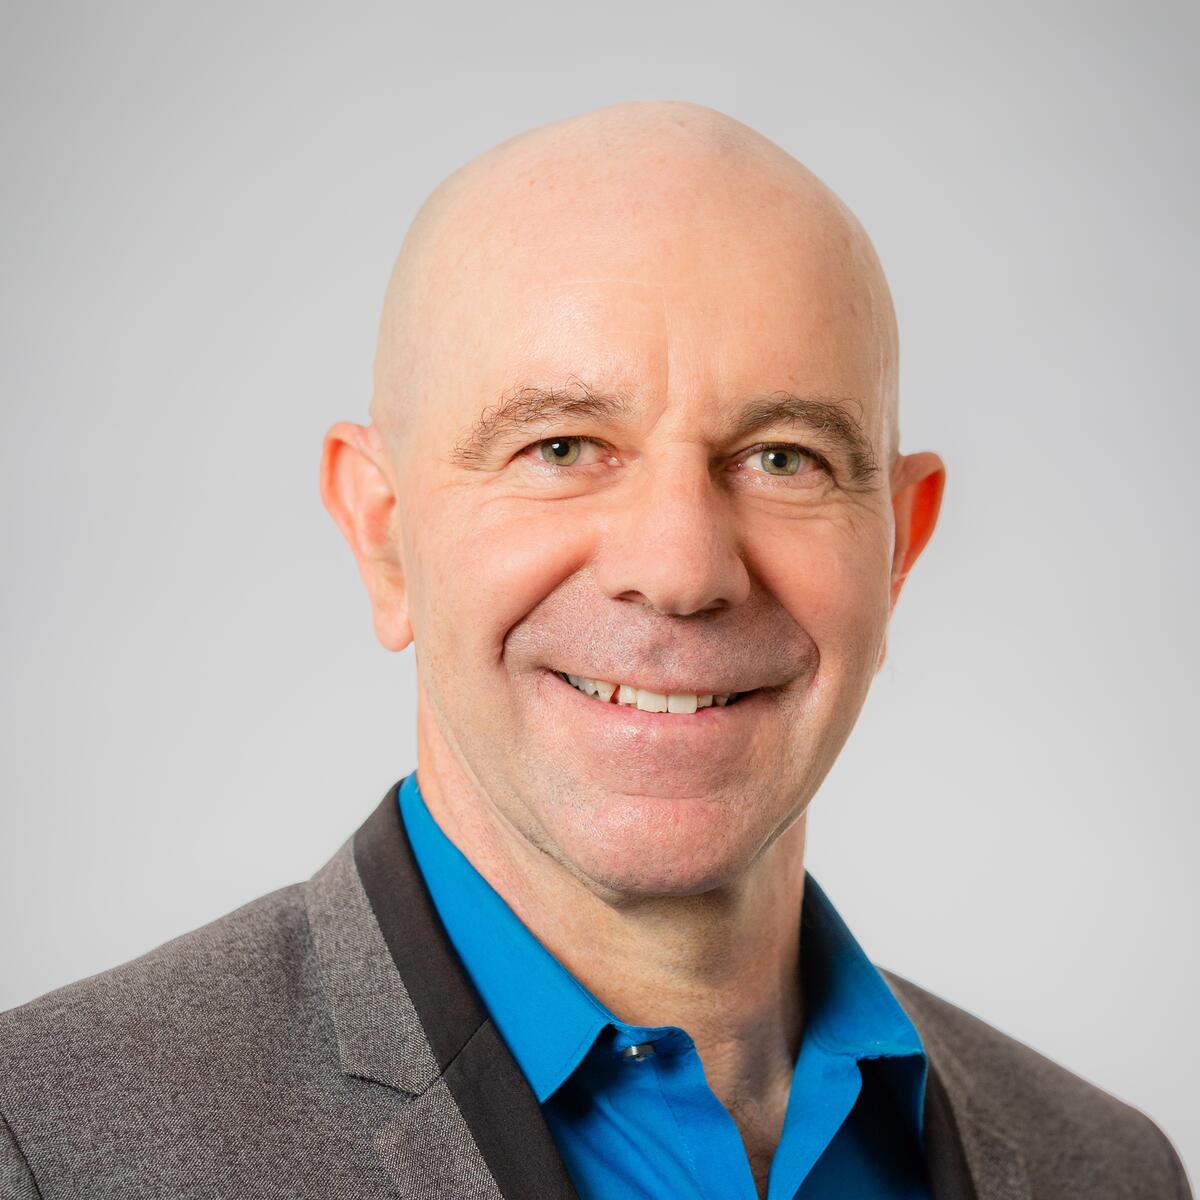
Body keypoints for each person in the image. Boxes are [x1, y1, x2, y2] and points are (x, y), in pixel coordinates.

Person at [0, 100, 1189, 1200]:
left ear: (897, 552)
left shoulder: (1109, 1171)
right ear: (384, 535)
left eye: (783, 457)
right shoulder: (48, 1146)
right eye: (562, 447)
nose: (679, 568)